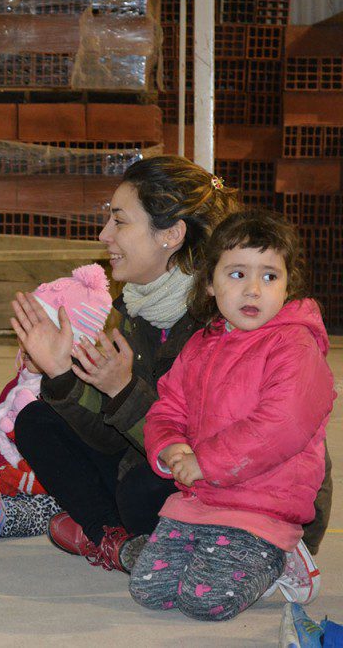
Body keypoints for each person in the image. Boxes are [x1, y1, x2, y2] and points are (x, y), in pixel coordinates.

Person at [10, 156, 332, 597]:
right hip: (185, 470)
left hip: (251, 490)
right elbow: (115, 436)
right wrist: (60, 372)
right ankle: (118, 542)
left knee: (141, 487)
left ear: (171, 235)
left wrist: (121, 390)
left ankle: (118, 530)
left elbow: (209, 439)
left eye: (119, 221)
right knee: (37, 421)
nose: (104, 235)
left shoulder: (228, 316)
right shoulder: (135, 308)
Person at [129, 210, 334, 621]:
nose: (253, 290)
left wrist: (206, 462)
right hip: (200, 498)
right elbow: (169, 406)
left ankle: (285, 558)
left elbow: (281, 425)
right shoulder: (202, 344)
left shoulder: (296, 345)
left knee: (207, 601)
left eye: (270, 277)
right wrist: (171, 447)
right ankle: (227, 553)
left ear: (288, 284)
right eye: (237, 274)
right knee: (149, 590)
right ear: (210, 282)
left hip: (262, 506)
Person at [0, 264, 113, 544]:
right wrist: (0, 469)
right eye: (25, 333)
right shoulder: (17, 386)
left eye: (39, 336)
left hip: (60, 491)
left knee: (44, 511)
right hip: (15, 479)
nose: (26, 344)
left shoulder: (85, 389)